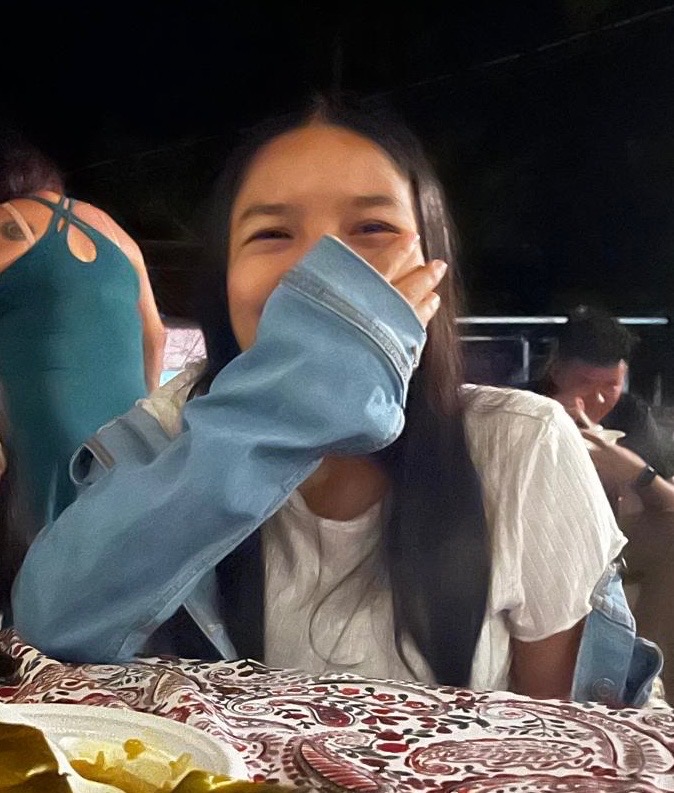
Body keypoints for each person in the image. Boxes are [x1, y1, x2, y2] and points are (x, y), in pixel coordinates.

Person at [11, 95, 661, 706]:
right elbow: (56, 624)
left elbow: (566, 740)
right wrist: (297, 399)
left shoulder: (522, 442)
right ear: (224, 279)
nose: (319, 271)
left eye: (372, 227)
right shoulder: (163, 434)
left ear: (433, 272)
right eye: (272, 234)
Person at [0, 133, 166, 539]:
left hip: (43, 417)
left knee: (42, 555)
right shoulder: (117, 234)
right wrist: (140, 408)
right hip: (125, 428)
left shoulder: (8, 219)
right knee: (109, 552)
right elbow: (157, 336)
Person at [532, 305, 674, 702]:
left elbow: (668, 503)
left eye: (611, 385)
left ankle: (646, 677)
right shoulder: (525, 408)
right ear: (556, 372)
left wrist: (634, 471)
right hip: (544, 539)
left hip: (613, 539)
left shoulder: (631, 413)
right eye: (583, 382)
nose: (597, 398)